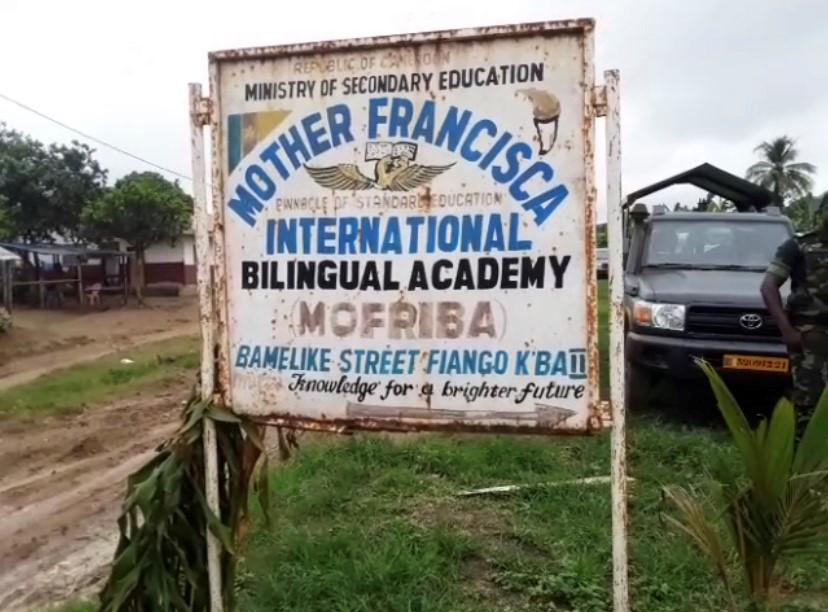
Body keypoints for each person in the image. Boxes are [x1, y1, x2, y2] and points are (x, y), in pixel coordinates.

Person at [761, 195, 828, 431]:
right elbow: (769, 286)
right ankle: (802, 462)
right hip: (810, 335)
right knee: (808, 402)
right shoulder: (799, 245)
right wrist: (786, 330)